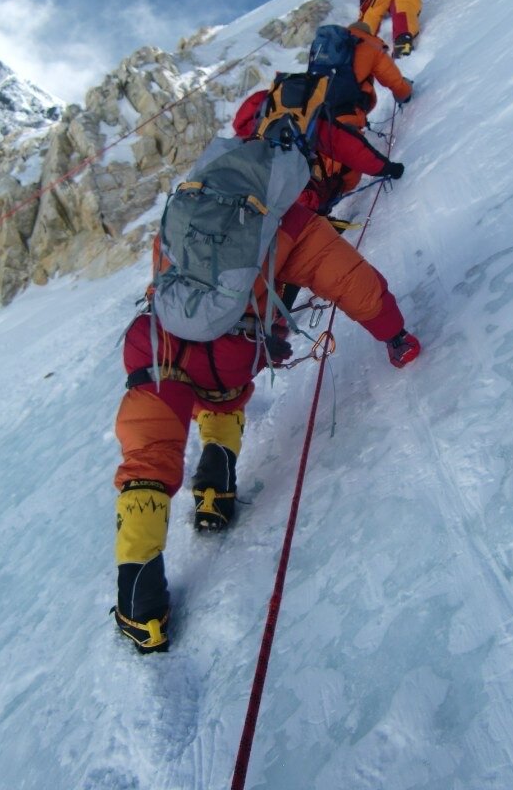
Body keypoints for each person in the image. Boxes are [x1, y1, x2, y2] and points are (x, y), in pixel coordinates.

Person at [112, 200, 421, 653]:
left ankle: (141, 610)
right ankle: (215, 482)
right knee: (221, 396)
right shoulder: (291, 218)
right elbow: (352, 281)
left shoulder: (193, 202)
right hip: (230, 351)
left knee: (148, 454)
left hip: (155, 337)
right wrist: (395, 334)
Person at [233, 21, 413, 216]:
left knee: (314, 159)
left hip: (312, 109)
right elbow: (395, 82)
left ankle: (307, 207)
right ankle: (314, 209)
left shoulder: (325, 47)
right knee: (345, 169)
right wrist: (405, 94)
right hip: (346, 114)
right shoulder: (372, 45)